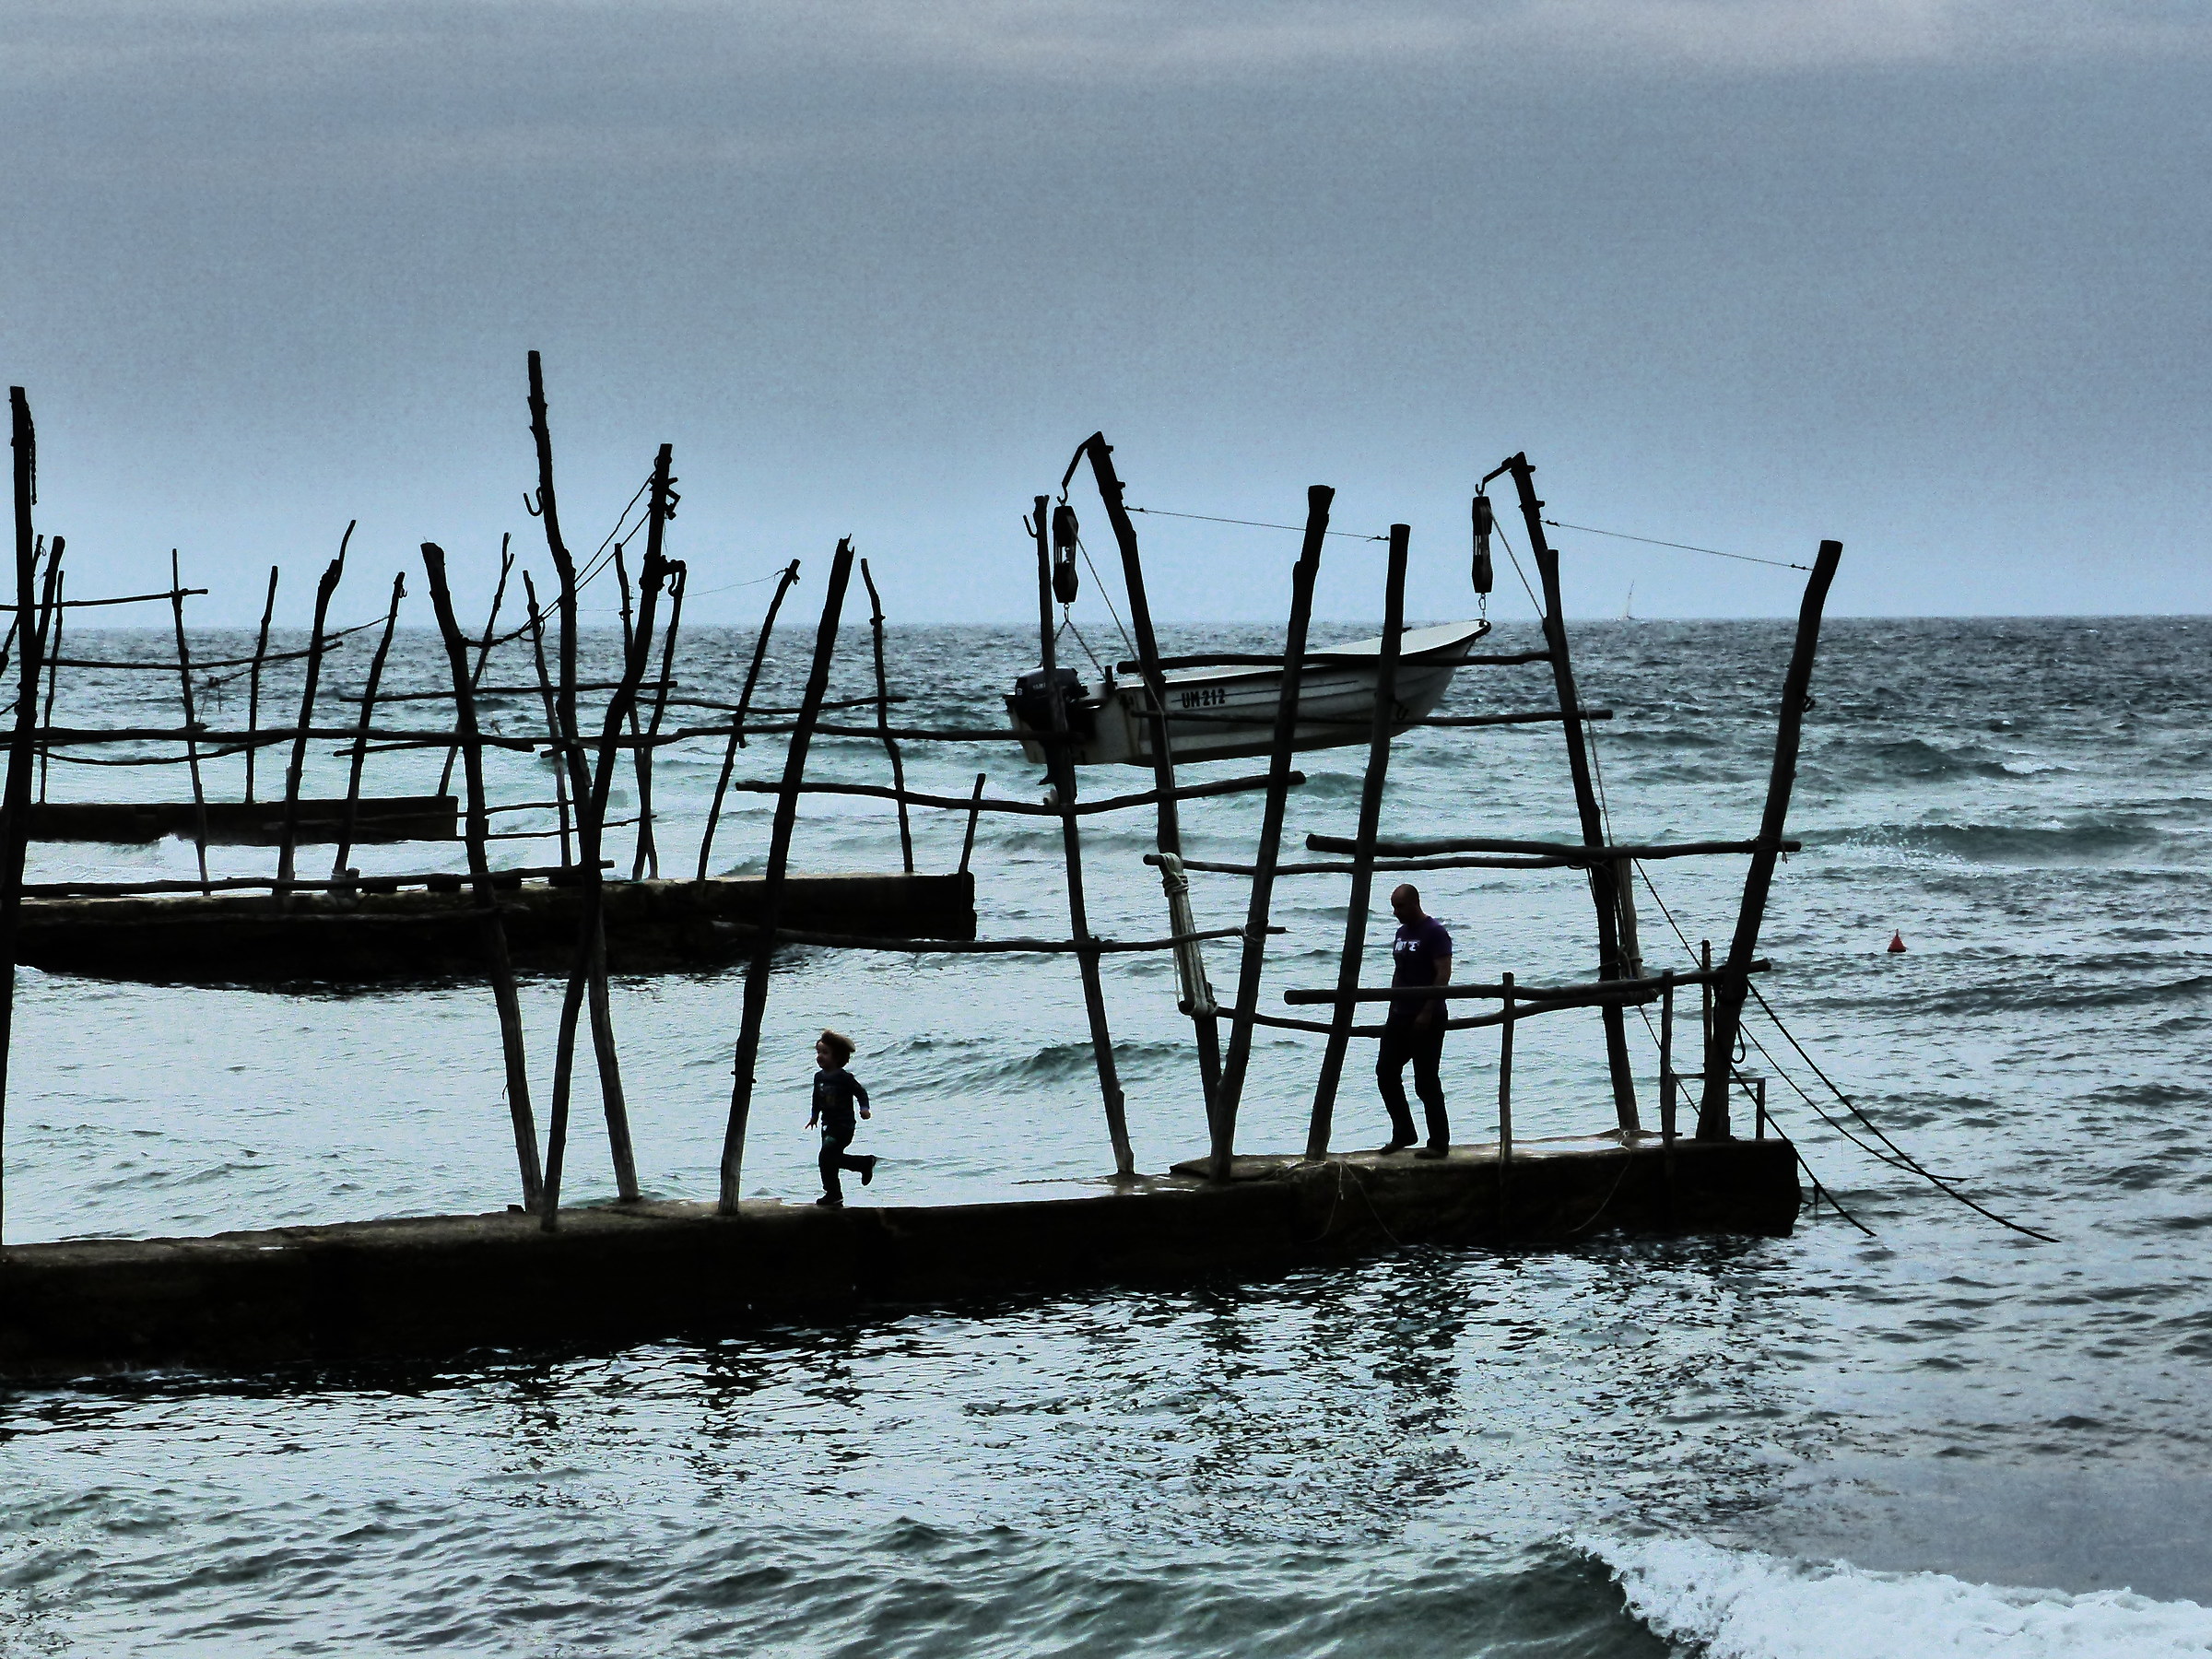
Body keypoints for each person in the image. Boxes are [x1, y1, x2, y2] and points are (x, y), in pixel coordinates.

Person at [1376, 883, 1453, 1159]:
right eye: (1394, 907)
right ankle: (1404, 1131)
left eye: (1400, 906)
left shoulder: (1434, 933)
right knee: (1385, 1072)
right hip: (1400, 1014)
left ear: (1414, 903)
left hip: (1427, 1017)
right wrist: (1393, 1008)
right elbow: (1399, 972)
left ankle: (1439, 1142)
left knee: (1426, 1080)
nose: (1396, 912)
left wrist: (1427, 1011)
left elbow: (1443, 974)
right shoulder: (1401, 933)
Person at [806, 1029, 877, 1206]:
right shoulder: (818, 1077)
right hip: (827, 1125)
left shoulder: (844, 1078)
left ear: (837, 1057)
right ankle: (863, 1164)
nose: (819, 1056)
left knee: (825, 1158)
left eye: (825, 1053)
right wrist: (814, 1116)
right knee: (831, 1159)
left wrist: (864, 1109)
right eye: (818, 1052)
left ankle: (833, 1193)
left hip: (843, 1126)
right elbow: (816, 1098)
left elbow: (860, 1092)